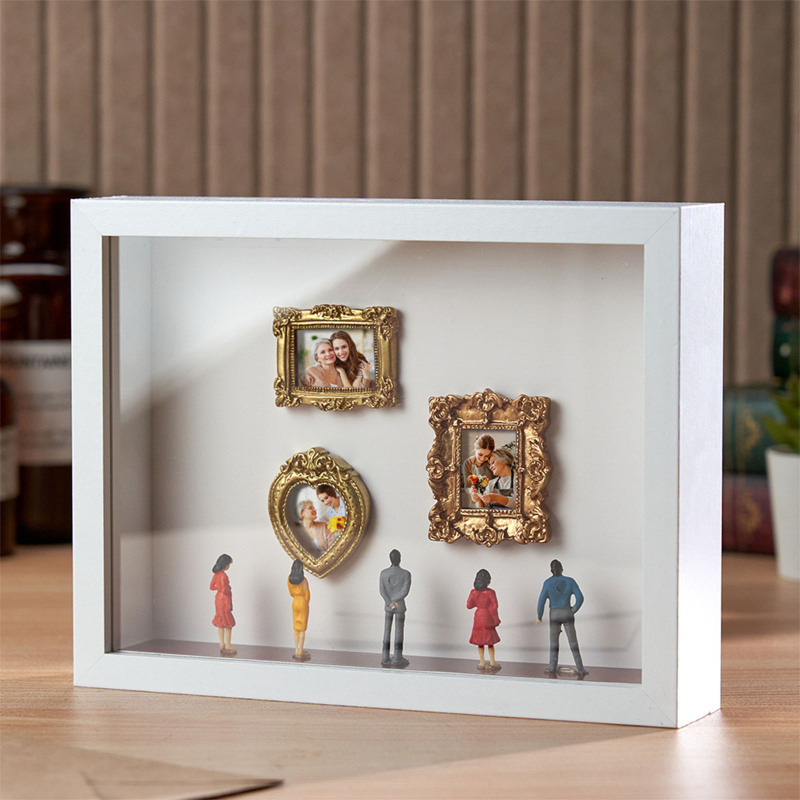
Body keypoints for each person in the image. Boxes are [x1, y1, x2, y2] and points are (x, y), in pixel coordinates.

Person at [536, 559, 588, 677]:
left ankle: (552, 667)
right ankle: (580, 668)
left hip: (554, 614)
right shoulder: (570, 581)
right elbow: (580, 598)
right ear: (562, 568)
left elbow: (541, 601)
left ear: (551, 570)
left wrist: (539, 616)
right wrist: (573, 610)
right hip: (567, 612)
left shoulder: (547, 583)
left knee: (554, 642)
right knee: (573, 642)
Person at [379, 549, 411, 667]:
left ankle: (385, 656)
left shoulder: (384, 573)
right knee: (399, 631)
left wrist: (389, 602)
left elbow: (382, 590)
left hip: (388, 606)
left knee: (386, 631)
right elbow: (405, 591)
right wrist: (395, 600)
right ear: (400, 559)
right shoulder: (406, 574)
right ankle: (397, 657)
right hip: (399, 606)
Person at [467, 568, 501, 672]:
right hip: (487, 616)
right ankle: (492, 661)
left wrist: (478, 604)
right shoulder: (491, 592)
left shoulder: (473, 592)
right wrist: (494, 616)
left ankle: (482, 662)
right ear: (487, 582)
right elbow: (495, 606)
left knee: (480, 641)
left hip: (478, 617)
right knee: (490, 641)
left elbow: (469, 605)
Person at [210, 554, 236, 655]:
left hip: (218, 599)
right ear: (225, 564)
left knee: (221, 623)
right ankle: (228, 644)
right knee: (229, 624)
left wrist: (219, 588)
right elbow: (224, 589)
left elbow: (212, 587)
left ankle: (222, 643)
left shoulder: (216, 575)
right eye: (229, 564)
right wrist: (227, 590)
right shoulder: (224, 576)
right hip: (224, 599)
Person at [461, 434, 495, 507]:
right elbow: (467, 486)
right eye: (480, 454)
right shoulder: (468, 463)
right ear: (475, 448)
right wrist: (471, 491)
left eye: (487, 456)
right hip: (479, 498)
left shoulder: (493, 462)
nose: (482, 459)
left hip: (494, 497)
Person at [287, 559, 311, 660]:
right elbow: (307, 595)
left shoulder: (289, 579)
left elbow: (291, 593)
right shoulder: (304, 580)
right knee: (302, 628)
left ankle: (296, 648)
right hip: (302, 602)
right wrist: (305, 602)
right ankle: (300, 649)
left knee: (296, 627)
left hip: (295, 602)